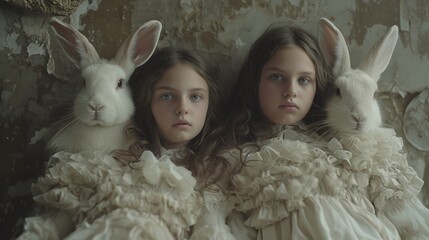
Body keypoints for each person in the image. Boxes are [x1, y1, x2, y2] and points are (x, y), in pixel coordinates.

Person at [19, 47, 233, 240]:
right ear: (146, 100)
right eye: (167, 96)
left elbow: (213, 226)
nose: (182, 108)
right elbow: (67, 213)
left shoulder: (214, 168)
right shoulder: (125, 155)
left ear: (209, 103)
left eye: (195, 97)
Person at [220, 23, 401, 239]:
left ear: (317, 86)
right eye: (277, 77)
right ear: (255, 81)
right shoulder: (238, 155)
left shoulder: (341, 152)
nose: (291, 92)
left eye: (304, 80)